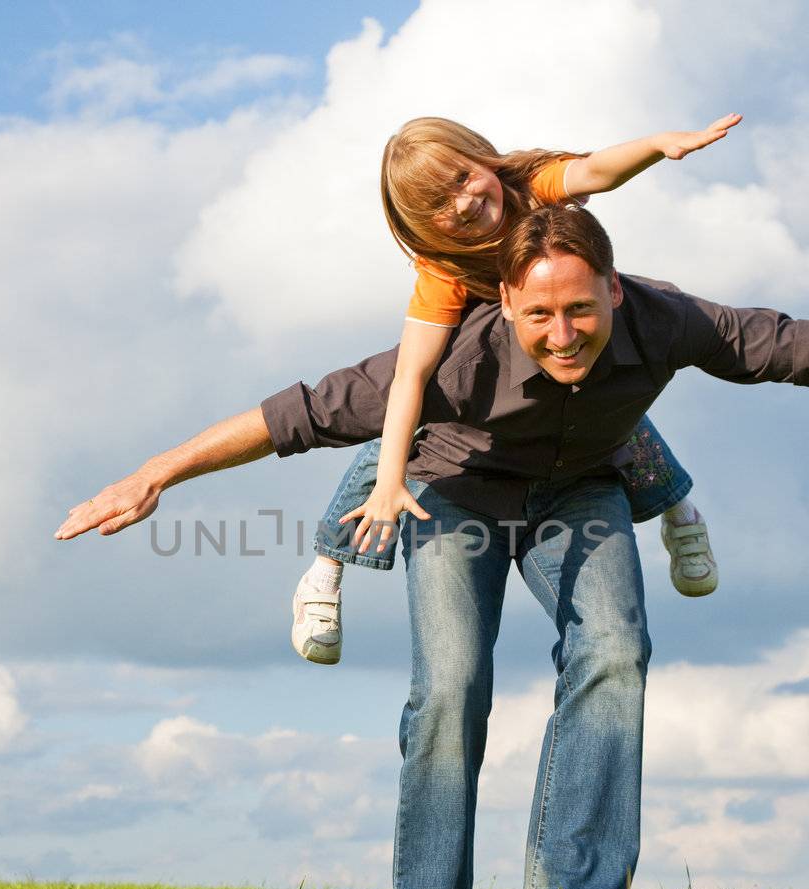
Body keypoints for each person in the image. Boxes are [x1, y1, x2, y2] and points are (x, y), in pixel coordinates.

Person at [56, 206, 809, 889]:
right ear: (504, 306)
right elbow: (290, 416)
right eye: (538, 317)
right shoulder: (453, 358)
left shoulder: (666, 319)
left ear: (611, 288)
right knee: (451, 692)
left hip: (583, 494)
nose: (563, 334)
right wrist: (153, 473)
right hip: (454, 497)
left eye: (582, 310)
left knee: (613, 654)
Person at [292, 115, 743, 666]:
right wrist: (389, 479)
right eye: (439, 202)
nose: (462, 203)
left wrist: (655, 145)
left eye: (461, 178)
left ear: (483, 158)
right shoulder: (446, 269)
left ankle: (678, 509)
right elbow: (408, 377)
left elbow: (595, 171)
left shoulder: (529, 189)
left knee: (604, 396)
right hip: (483, 394)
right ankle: (327, 565)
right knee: (409, 413)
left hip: (568, 351)